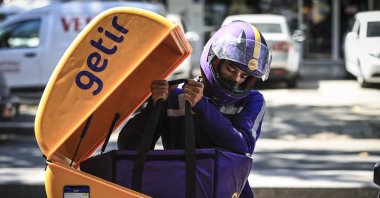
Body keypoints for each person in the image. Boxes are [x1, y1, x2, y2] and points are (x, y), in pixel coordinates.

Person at [117, 20, 271, 197]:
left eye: (244, 76)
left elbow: (241, 147)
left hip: (229, 191)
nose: (236, 79)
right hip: (181, 188)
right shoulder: (176, 96)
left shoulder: (252, 100)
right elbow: (130, 147)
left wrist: (202, 106)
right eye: (231, 69)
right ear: (214, 60)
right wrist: (153, 107)